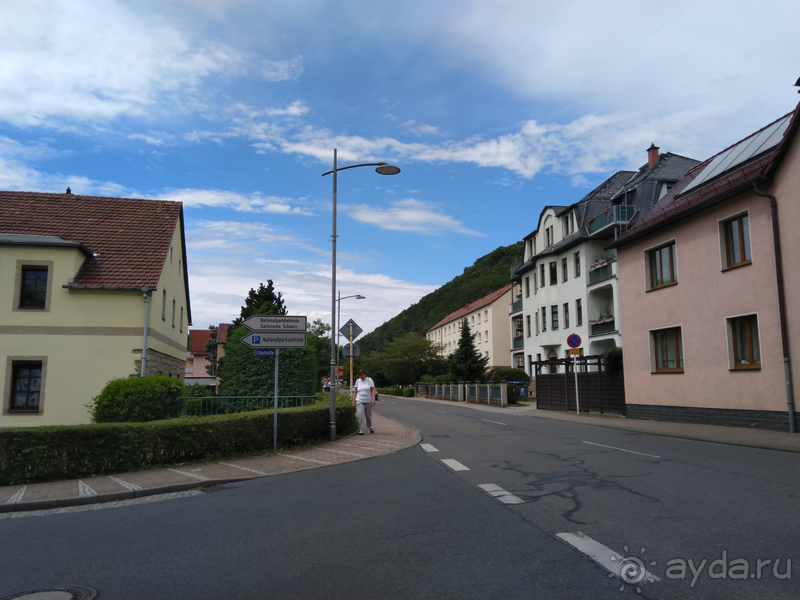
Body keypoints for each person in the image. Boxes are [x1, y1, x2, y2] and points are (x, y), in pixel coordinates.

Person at [352, 369, 376, 435]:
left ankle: (370, 426)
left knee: (368, 416)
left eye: (362, 375)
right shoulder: (358, 381)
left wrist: (373, 399)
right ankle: (361, 429)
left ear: (365, 375)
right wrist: (353, 401)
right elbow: (355, 392)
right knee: (360, 415)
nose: (361, 377)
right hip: (359, 400)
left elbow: (372, 390)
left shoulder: (369, 380)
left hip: (368, 400)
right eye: (360, 375)